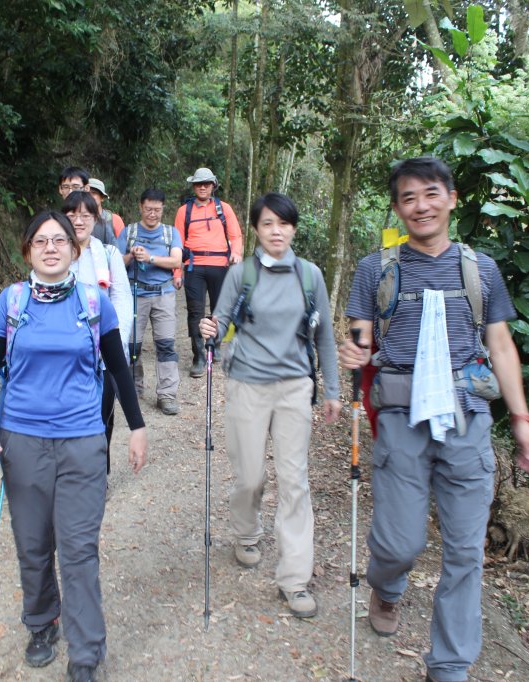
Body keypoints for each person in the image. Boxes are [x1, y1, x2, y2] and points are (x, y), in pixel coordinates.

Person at [338, 157, 529, 682]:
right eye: (408, 198)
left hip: (467, 418)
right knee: (400, 542)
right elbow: (361, 332)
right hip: (403, 417)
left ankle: (449, 667)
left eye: (431, 194)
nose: (421, 206)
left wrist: (520, 419)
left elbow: (500, 345)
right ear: (397, 208)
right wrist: (354, 351)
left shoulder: (482, 270)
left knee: (465, 553)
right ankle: (387, 588)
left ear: (452, 198)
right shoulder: (376, 269)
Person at [0, 211, 147, 682]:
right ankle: (42, 623)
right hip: (21, 440)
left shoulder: (93, 302)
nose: (50, 248)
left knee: (79, 549)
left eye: (59, 240)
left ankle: (86, 654)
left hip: (83, 440)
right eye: (40, 241)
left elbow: (119, 369)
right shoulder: (11, 302)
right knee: (34, 544)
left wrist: (138, 426)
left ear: (74, 248)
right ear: (27, 250)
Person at [199, 192, 341, 619]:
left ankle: (294, 580)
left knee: (294, 481)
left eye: (283, 223)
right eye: (267, 224)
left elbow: (325, 338)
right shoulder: (242, 274)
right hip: (247, 385)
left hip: (295, 387)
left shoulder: (310, 276)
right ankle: (246, 532)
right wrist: (212, 327)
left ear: (294, 228)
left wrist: (331, 389)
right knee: (250, 476)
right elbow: (221, 321)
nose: (276, 231)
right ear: (257, 230)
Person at [63, 190, 133, 469]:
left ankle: (97, 471)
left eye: (86, 215)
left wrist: (117, 341)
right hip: (65, 351)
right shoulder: (56, 251)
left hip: (103, 352)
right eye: (72, 215)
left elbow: (121, 299)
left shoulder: (108, 253)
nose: (79, 221)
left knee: (101, 413)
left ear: (96, 219)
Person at [116, 188, 184, 415]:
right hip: (135, 294)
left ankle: (166, 394)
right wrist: (131, 255)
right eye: (148, 209)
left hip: (163, 294)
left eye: (157, 209)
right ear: (140, 207)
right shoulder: (129, 231)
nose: (152, 214)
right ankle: (133, 388)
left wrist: (151, 258)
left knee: (165, 345)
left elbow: (177, 261)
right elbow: (117, 263)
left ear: (163, 209)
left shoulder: (170, 232)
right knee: (131, 344)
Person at [173, 167, 243, 378]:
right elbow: (177, 244)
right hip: (194, 266)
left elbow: (236, 235)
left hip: (220, 265)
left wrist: (237, 253)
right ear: (193, 186)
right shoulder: (183, 211)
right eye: (198, 184)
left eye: (206, 183)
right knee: (195, 311)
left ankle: (215, 344)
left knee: (219, 309)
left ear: (213, 185)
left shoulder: (224, 208)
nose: (202, 187)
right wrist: (177, 272)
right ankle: (198, 357)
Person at [88, 178, 125, 243]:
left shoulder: (114, 220)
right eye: (86, 193)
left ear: (102, 197)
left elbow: (122, 247)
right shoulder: (77, 220)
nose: (89, 196)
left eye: (93, 193)